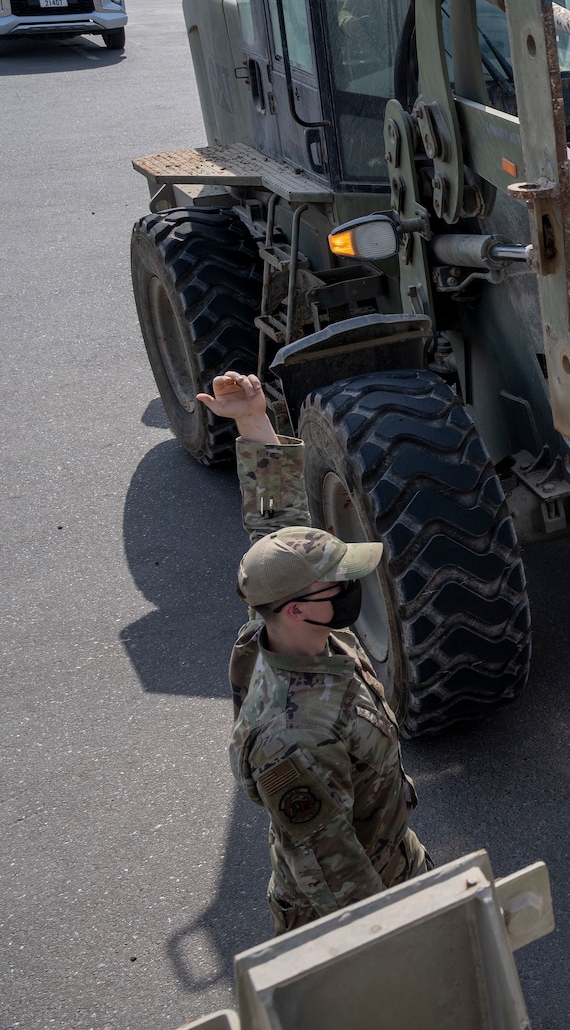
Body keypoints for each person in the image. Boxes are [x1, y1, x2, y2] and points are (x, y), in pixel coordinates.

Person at [200, 371, 431, 934]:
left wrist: (253, 420)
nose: (356, 586)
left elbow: (279, 529)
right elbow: (332, 874)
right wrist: (403, 942)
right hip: (355, 902)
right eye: (342, 583)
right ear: (299, 608)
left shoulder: (282, 618)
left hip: (393, 853)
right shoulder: (293, 739)